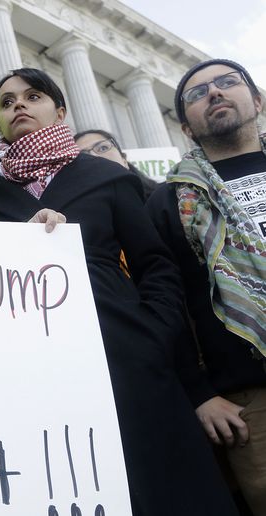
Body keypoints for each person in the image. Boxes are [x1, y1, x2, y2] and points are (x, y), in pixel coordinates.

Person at [0, 67, 239, 515]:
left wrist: (152, 332)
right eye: (7, 102)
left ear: (60, 111)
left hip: (127, 352)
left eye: (33, 96)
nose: (19, 104)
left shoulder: (103, 174)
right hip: (33, 366)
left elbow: (154, 264)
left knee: (164, 486)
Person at [146, 58, 266, 515]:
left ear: (256, 101)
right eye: (197, 94)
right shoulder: (169, 201)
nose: (213, 93)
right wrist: (199, 394)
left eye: (227, 83)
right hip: (252, 398)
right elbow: (166, 302)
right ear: (187, 129)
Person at [74, 128, 159, 199]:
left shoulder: (166, 197)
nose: (94, 156)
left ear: (124, 160)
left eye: (103, 148)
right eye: (83, 156)